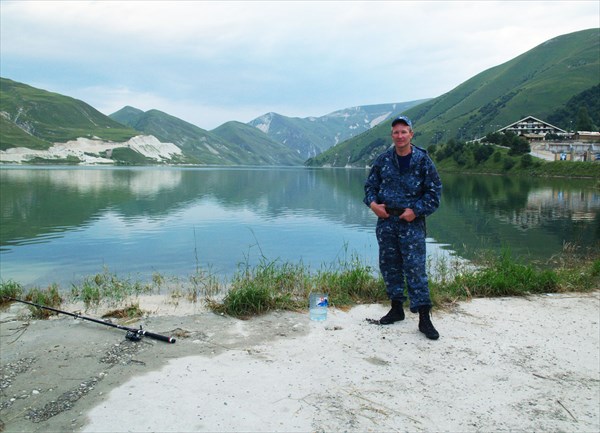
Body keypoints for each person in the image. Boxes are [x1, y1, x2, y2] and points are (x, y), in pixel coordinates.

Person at [363, 115, 442, 340]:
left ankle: (424, 317)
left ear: (411, 134)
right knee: (390, 265)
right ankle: (397, 308)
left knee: (416, 268)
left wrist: (415, 211)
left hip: (411, 223)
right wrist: (372, 205)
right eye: (396, 132)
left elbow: (434, 194)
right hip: (386, 221)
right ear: (392, 135)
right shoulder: (383, 160)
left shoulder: (423, 160)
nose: (399, 136)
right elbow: (370, 187)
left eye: (403, 131)